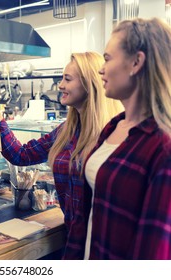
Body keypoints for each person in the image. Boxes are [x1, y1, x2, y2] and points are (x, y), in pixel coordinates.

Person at [0, 52, 123, 259]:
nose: (60, 85)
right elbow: (21, 155)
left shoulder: (114, 133)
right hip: (72, 237)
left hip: (104, 246)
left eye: (67, 79)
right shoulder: (67, 130)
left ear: (89, 84)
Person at [83, 18, 171, 259]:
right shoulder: (113, 127)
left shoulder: (162, 148)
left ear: (136, 62)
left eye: (108, 58)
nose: (101, 69)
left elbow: (153, 254)